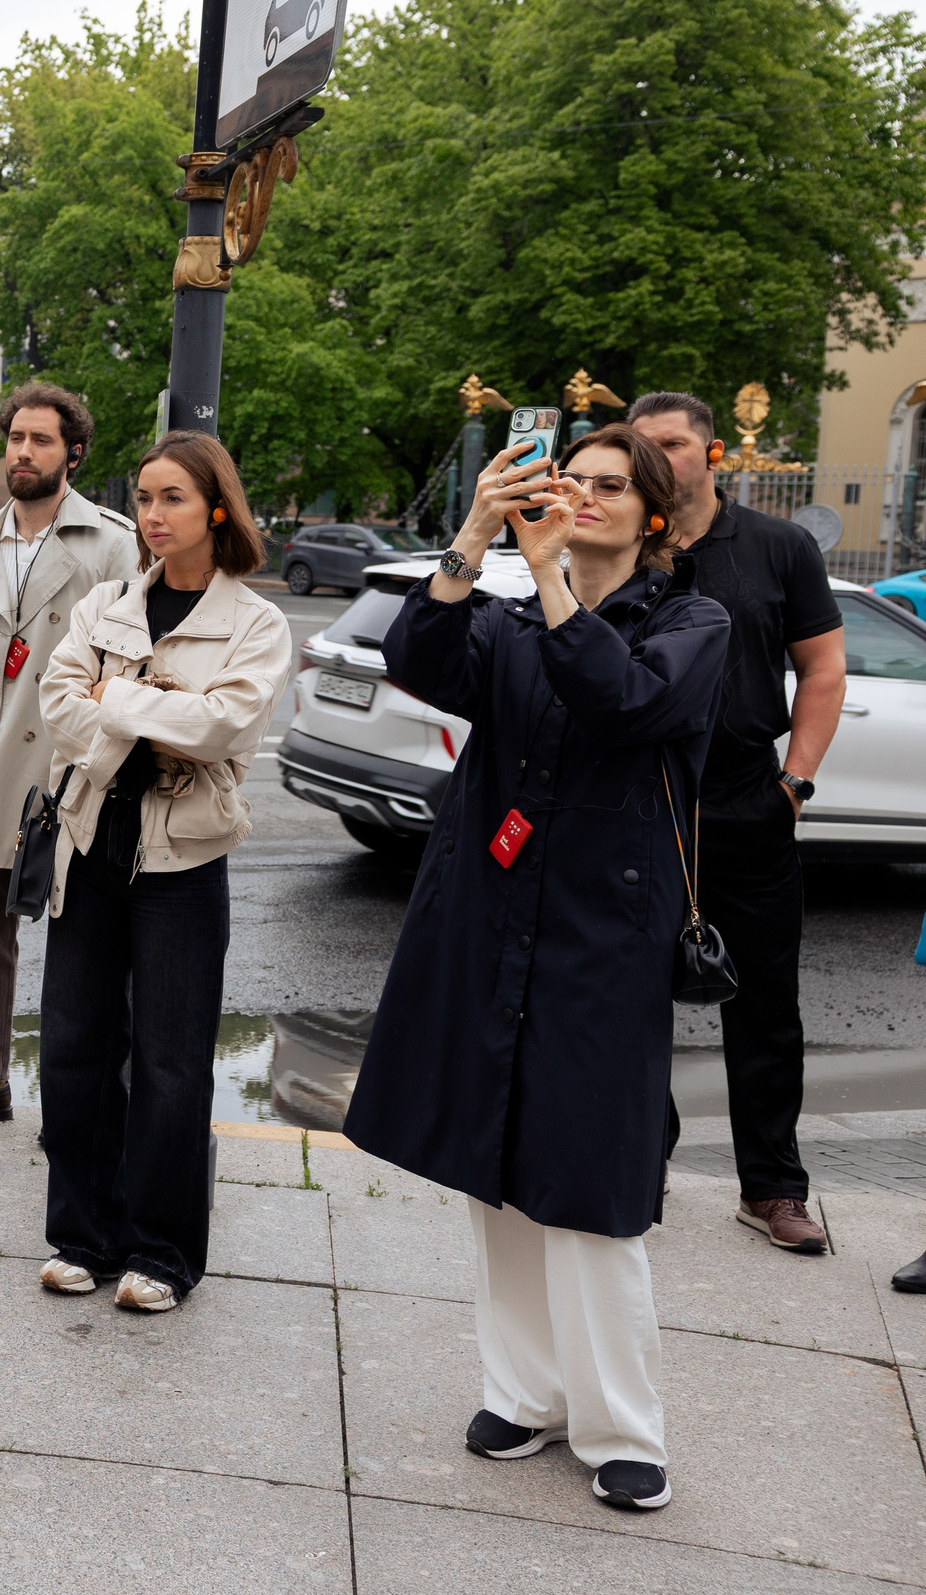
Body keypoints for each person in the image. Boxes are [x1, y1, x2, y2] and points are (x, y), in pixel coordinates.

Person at [345, 426, 730, 1514]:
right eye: (575, 483)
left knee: (592, 1180)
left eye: (612, 487)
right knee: (496, 1155)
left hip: (605, 934)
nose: (587, 498)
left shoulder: (693, 622)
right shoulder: (509, 618)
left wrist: (555, 577)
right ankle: (523, 1393)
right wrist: (472, 534)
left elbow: (624, 702)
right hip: (488, 914)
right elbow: (417, 659)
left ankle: (620, 1427)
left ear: (653, 515)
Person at [33, 430, 291, 1311]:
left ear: (216, 507)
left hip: (183, 857)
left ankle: (163, 1250)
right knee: (74, 1050)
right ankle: (83, 1234)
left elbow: (224, 727)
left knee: (173, 1063)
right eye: (144, 498)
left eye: (172, 497)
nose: (151, 515)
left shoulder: (255, 623)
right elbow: (58, 704)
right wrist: (158, 709)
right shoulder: (106, 603)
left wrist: (121, 699)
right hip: (90, 837)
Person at [628, 391, 845, 1255]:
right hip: (639, 801)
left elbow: (822, 671)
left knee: (764, 1006)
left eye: (673, 444)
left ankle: (773, 1188)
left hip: (748, 799)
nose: (657, 458)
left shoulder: (777, 547)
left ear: (710, 455)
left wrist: (794, 785)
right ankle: (643, 1165)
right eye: (641, 445)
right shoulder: (616, 541)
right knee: (630, 996)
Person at [0, 381, 137, 1126]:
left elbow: (125, 666)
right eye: (15, 438)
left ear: (71, 452)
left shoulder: (110, 543)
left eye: (41, 440)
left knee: (82, 947)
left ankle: (76, 1100)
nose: (23, 451)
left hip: (62, 770)